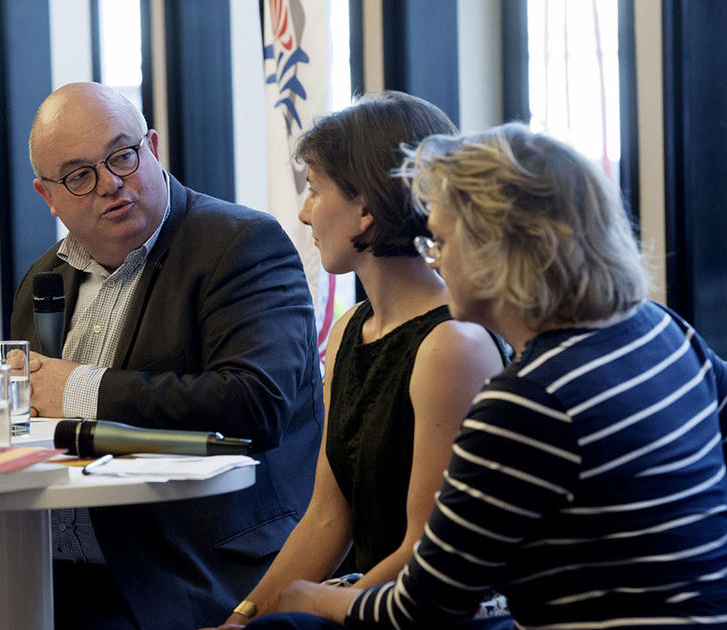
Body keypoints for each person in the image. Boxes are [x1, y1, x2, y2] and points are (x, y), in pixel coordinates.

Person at [246, 122, 727, 629]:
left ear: (498, 251)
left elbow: (420, 610)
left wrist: (309, 598)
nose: (434, 261)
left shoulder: (528, 402)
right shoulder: (661, 330)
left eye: (441, 241)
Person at [0, 82, 322, 630]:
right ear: (48, 196)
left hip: (179, 568)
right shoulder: (43, 279)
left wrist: (78, 389)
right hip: (36, 560)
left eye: (122, 156)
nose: (111, 183)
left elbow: (256, 404)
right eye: (81, 175)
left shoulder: (240, 245)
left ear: (152, 147)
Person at [203, 92, 509, 630]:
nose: (303, 212)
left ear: (366, 207)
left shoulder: (452, 345)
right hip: (368, 604)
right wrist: (240, 617)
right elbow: (326, 517)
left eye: (315, 191)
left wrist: (321, 604)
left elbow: (425, 550)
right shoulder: (349, 330)